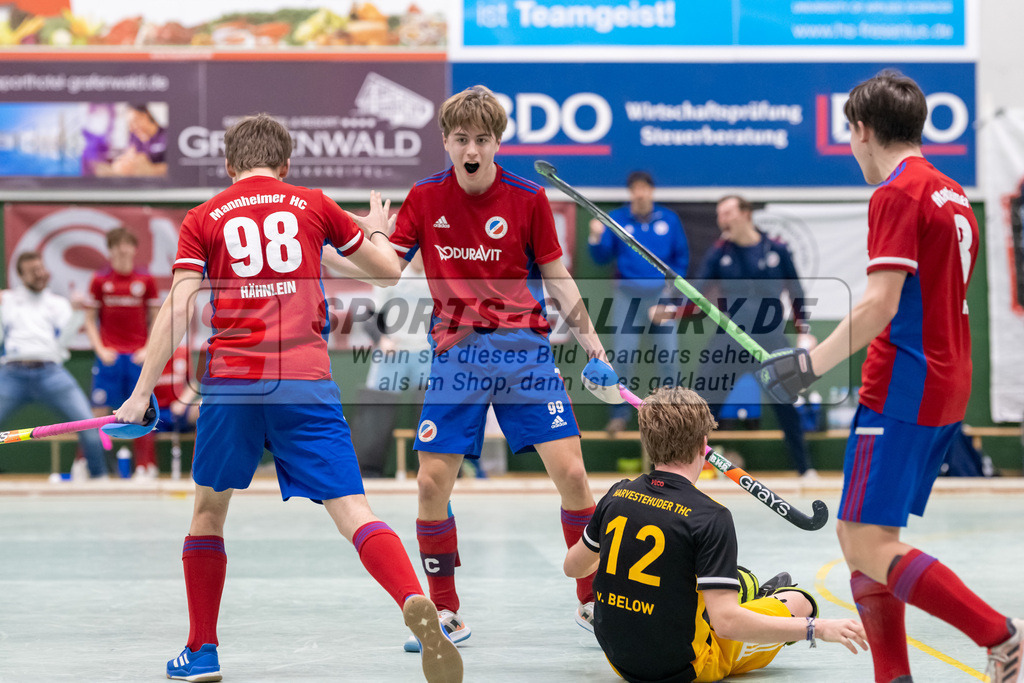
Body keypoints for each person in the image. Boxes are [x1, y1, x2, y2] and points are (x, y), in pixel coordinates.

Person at [113, 114, 462, 683]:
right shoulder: (313, 203)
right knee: (354, 512)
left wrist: (140, 392)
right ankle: (413, 602)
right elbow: (387, 273)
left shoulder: (203, 218)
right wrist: (375, 229)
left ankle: (203, 651)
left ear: (229, 167)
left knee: (208, 513)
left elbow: (178, 307)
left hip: (232, 383)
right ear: (287, 165)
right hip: (306, 378)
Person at [757, 69, 1023, 683]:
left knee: (866, 546)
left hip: (903, 387)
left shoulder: (897, 193)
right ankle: (893, 677)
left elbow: (879, 304)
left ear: (863, 129)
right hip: (944, 383)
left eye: (850, 136)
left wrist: (806, 366)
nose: (851, 149)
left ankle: (999, 635)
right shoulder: (952, 193)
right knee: (867, 537)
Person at [331, 84, 611, 650]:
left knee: (576, 477)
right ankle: (445, 610)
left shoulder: (529, 200)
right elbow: (385, 271)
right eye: (461, 139)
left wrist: (593, 344)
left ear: (496, 142)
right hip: (457, 354)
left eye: (482, 139)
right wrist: (366, 235)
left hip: (524, 351)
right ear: (446, 142)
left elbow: (557, 279)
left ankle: (591, 602)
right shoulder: (425, 196)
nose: (471, 149)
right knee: (432, 481)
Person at [563, 386, 867, 682]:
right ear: (703, 445)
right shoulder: (710, 516)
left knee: (726, 575)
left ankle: (747, 591)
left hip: (618, 660)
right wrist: (818, 628)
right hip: (684, 667)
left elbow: (573, 567)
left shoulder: (618, 494)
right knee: (801, 603)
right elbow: (727, 624)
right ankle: (760, 598)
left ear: (647, 441)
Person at [694, 194, 817, 477]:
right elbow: (698, 290)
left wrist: (804, 332)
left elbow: (796, 291)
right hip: (729, 340)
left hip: (770, 339)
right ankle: (682, 470)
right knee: (701, 406)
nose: (721, 220)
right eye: (719, 215)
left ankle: (805, 469)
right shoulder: (719, 252)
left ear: (746, 214)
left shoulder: (777, 249)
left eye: (727, 213)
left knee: (787, 405)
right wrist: (672, 306)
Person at [587, 170, 689, 435]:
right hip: (626, 296)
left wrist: (670, 292)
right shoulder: (618, 219)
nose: (640, 193)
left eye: (645, 188)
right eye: (636, 188)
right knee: (623, 356)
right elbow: (601, 257)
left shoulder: (669, 219)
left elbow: (681, 259)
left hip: (661, 296)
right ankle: (619, 416)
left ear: (651, 191)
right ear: (631, 192)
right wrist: (596, 236)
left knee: (669, 357)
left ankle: (674, 415)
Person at [0, 252, 107, 478]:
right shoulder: (6, 300)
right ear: (21, 276)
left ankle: (100, 480)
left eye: (41, 269)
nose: (40, 274)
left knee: (89, 427)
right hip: (11, 374)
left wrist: (78, 314)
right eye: (33, 272)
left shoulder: (58, 303)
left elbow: (65, 340)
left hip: (52, 374)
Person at [83, 227, 161, 478]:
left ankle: (145, 467)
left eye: (127, 244)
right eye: (117, 245)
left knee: (141, 410)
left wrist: (147, 349)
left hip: (137, 357)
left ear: (134, 249)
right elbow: (89, 318)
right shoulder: (100, 280)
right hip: (110, 357)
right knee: (98, 414)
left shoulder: (145, 281)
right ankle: (89, 466)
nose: (122, 250)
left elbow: (156, 318)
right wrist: (100, 349)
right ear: (110, 250)